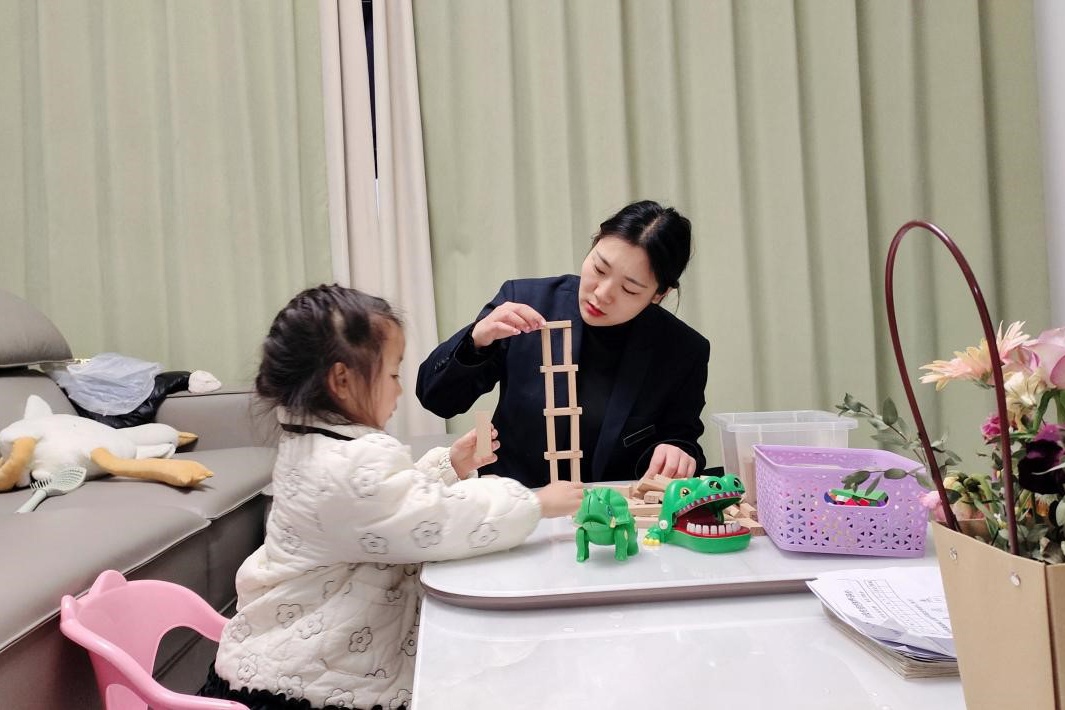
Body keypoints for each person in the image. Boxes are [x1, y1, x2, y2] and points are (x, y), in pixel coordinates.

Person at [199, 285, 583, 710]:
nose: (399, 391)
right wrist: (535, 503)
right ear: (342, 380)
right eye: (393, 375)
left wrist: (450, 465)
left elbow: (381, 507)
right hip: (305, 683)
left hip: (282, 655)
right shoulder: (350, 461)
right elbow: (435, 520)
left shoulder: (311, 443)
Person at [417, 199, 710, 489]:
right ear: (595, 243)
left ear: (659, 294)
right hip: (518, 504)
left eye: (629, 289)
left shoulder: (682, 350)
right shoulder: (527, 302)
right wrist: (476, 340)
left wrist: (678, 452)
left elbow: (682, 437)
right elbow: (437, 399)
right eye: (599, 268)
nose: (602, 294)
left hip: (614, 509)